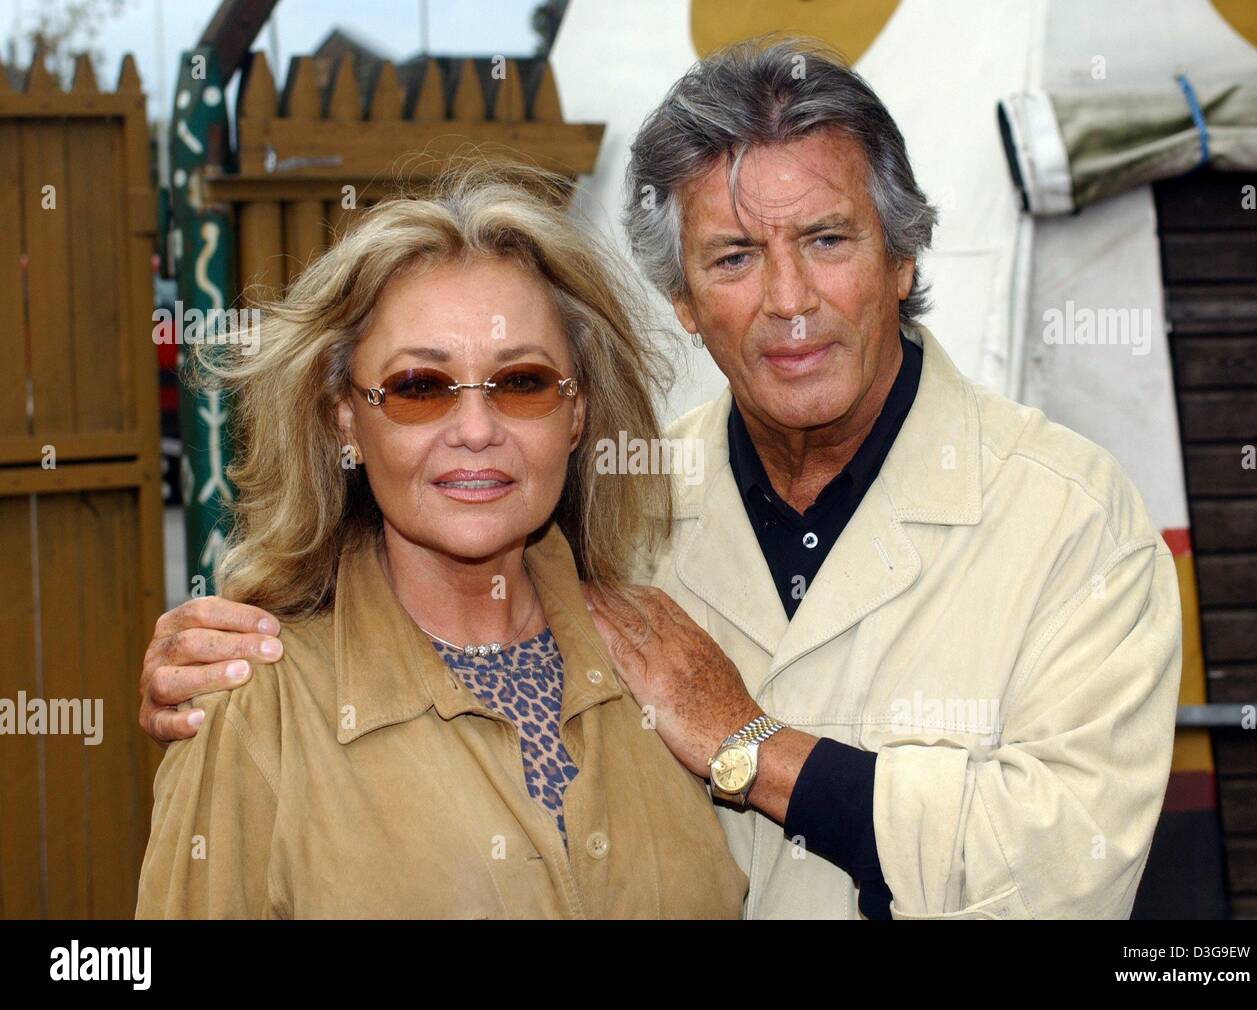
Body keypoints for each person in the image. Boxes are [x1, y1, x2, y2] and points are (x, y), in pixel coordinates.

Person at [139, 38, 1182, 920]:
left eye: (825, 240)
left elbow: (1072, 869)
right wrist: (242, 652)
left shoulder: (1070, 523)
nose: (787, 300)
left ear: (901, 258)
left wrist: (753, 748)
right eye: (730, 257)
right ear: (681, 299)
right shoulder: (622, 519)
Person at [134, 166, 746, 918]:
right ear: (345, 421)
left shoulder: (666, 654)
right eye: (420, 387)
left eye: (521, 382)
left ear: (577, 413)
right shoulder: (255, 710)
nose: (477, 430)